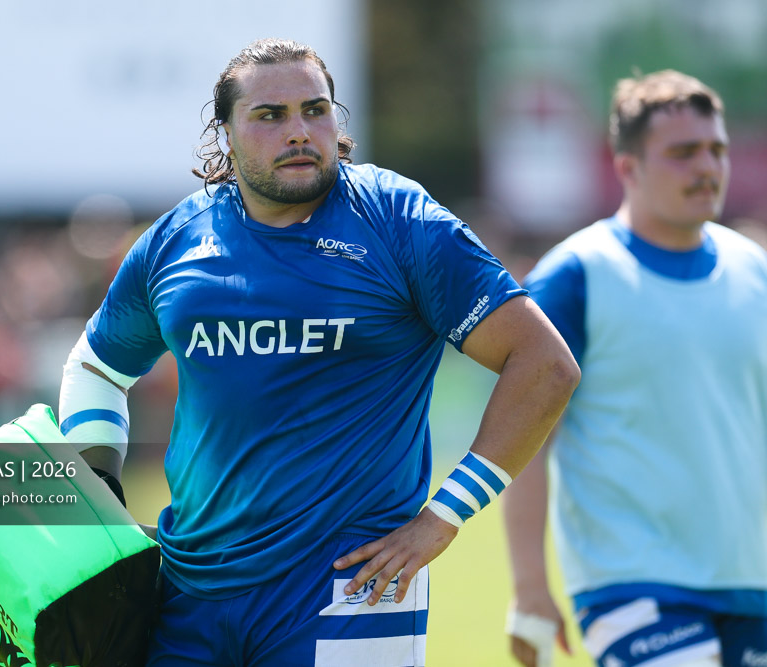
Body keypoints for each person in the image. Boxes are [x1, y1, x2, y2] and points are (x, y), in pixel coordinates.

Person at [60, 38, 579, 666]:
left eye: (315, 110)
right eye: (270, 115)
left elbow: (545, 364)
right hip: (187, 593)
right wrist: (101, 502)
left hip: (352, 588)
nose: (299, 131)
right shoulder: (175, 240)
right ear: (225, 134)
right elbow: (94, 367)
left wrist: (444, 516)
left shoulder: (400, 220)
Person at [502, 70, 767, 667]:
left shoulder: (754, 271)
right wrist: (530, 586)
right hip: (630, 584)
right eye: (683, 152)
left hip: (749, 583)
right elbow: (525, 442)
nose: (708, 167)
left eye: (717, 149)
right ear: (628, 168)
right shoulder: (576, 275)